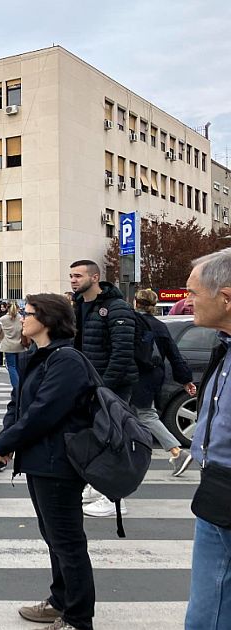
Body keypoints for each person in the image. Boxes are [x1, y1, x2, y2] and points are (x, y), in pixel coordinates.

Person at [0, 293, 97, 630]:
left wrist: (7, 441)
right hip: (40, 458)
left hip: (60, 462)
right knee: (53, 536)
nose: (22, 317)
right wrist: (6, 437)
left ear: (47, 320)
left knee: (67, 540)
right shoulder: (38, 355)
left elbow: (44, 412)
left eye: (28, 312)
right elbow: (18, 402)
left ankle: (78, 617)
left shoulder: (66, 360)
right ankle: (59, 600)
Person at [184, 249, 231, 629]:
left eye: (194, 293)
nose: (187, 301)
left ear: (226, 298)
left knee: (209, 609)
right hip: (216, 483)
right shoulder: (224, 346)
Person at [70, 260, 137, 514]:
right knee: (95, 437)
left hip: (112, 385)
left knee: (114, 438)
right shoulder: (79, 306)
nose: (73, 280)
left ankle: (114, 498)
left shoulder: (115, 307)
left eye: (78, 275)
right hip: (88, 383)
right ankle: (98, 485)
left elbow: (122, 352)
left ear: (95, 277)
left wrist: (105, 387)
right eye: (71, 276)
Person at [129, 289, 196, 476]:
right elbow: (174, 355)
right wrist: (185, 380)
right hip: (154, 375)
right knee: (138, 414)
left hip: (136, 374)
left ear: (136, 302)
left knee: (144, 414)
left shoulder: (132, 322)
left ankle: (176, 452)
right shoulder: (160, 326)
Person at [0, 301, 25, 390]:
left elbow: (0, 333)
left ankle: (16, 387)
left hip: (8, 345)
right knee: (18, 367)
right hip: (20, 344)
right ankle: (20, 386)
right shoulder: (20, 318)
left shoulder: (3, 319)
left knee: (11, 367)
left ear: (7, 308)